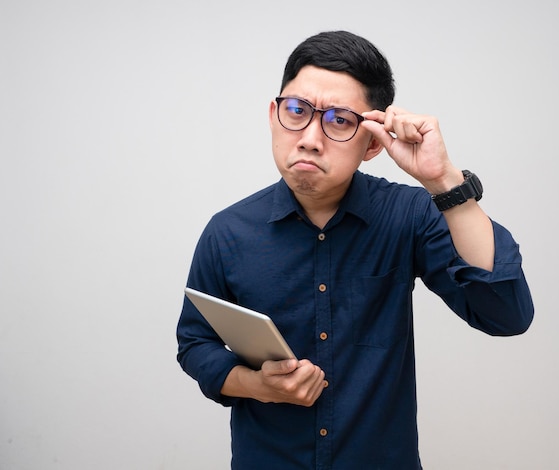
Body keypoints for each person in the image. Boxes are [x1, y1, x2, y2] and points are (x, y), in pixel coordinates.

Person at [176, 30, 533, 470]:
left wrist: (443, 181)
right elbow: (195, 343)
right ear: (273, 115)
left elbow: (505, 314)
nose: (309, 137)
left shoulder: (410, 215)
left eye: (339, 120)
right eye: (297, 111)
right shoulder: (227, 231)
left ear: (372, 144)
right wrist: (257, 385)